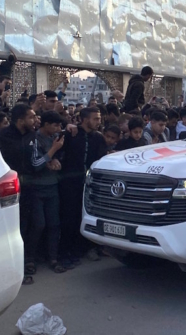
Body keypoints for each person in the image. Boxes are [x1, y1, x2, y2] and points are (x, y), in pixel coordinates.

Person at [58, 107, 107, 267]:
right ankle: (64, 253)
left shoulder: (98, 138)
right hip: (69, 184)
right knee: (68, 219)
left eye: (99, 119)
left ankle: (81, 249)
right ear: (85, 119)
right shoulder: (71, 135)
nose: (98, 122)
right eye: (95, 119)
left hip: (89, 184)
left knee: (84, 217)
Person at [0, 104, 38, 284]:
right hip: (8, 189)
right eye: (31, 117)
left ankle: (27, 260)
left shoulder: (32, 135)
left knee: (32, 224)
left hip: (29, 188)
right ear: (20, 121)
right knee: (13, 228)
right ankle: (13, 269)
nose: (35, 120)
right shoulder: (1, 137)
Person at [27, 110, 66, 275]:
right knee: (38, 225)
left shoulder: (54, 138)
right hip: (37, 187)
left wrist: (56, 160)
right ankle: (29, 259)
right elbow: (36, 163)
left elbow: (59, 159)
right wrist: (53, 151)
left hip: (52, 185)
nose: (58, 128)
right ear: (47, 124)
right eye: (56, 125)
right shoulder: (35, 139)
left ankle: (53, 258)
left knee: (54, 224)